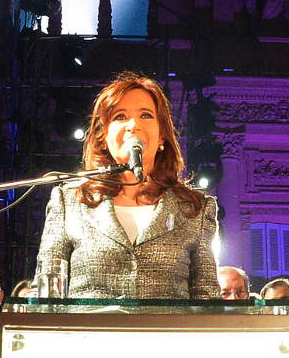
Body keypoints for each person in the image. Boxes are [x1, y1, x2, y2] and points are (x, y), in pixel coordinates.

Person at [32, 71, 218, 300]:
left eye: (146, 116)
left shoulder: (195, 208)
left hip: (166, 335)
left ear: (162, 137)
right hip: (86, 335)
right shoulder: (69, 201)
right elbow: (46, 296)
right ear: (103, 135)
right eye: (120, 116)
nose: (133, 125)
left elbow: (207, 299)